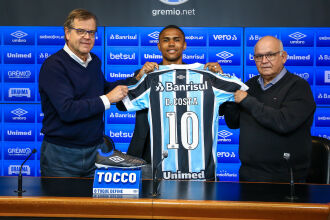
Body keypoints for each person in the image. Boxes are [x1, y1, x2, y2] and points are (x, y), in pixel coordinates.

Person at [39, 9, 146, 177]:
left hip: (95, 152)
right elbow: (67, 110)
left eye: (91, 32)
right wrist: (108, 99)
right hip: (61, 156)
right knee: (61, 203)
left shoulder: (93, 61)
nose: (87, 37)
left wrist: (136, 77)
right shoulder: (54, 66)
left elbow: (104, 89)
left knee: (92, 203)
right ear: (67, 33)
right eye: (81, 31)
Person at [220, 36, 316, 182]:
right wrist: (226, 89)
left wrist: (247, 100)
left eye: (270, 55)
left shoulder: (298, 87)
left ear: (283, 57)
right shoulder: (250, 85)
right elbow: (233, 123)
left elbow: (284, 123)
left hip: (285, 179)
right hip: (248, 175)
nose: (264, 61)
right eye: (259, 56)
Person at [125, 25, 222, 163]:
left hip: (190, 153)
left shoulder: (203, 77)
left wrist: (220, 77)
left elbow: (223, 109)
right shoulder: (146, 75)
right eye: (166, 40)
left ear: (184, 45)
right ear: (159, 45)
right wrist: (139, 77)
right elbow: (123, 104)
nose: (171, 44)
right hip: (149, 151)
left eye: (176, 40)